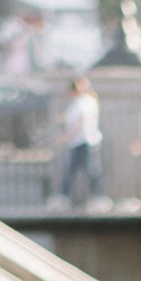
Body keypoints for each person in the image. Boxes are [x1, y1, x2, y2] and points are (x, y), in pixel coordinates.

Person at [58, 72, 102, 207]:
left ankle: (97, 198)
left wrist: (67, 136)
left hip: (86, 141)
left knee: (91, 170)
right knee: (72, 170)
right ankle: (64, 197)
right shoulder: (76, 103)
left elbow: (81, 122)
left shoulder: (87, 101)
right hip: (77, 142)